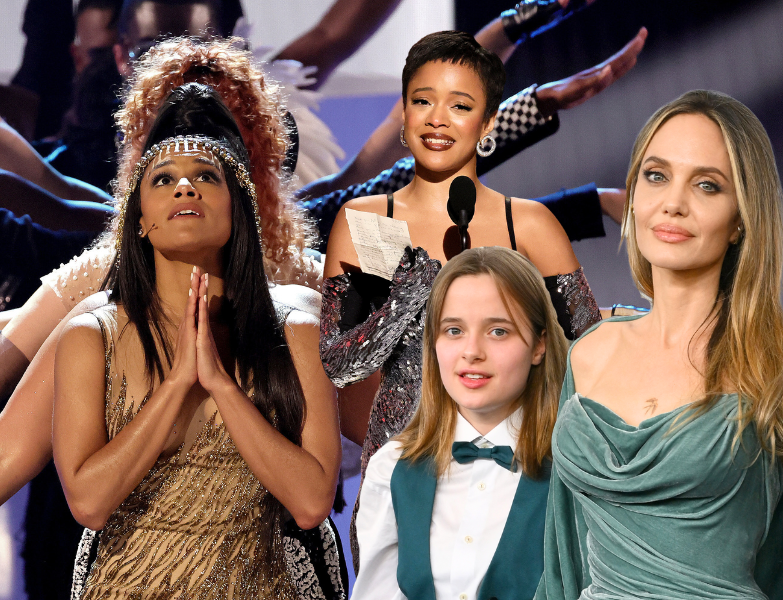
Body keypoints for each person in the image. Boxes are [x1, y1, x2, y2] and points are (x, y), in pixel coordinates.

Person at [318, 29, 601, 562]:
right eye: (422, 101)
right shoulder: (375, 222)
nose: (437, 118)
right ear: (402, 113)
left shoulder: (529, 225)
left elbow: (588, 357)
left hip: (519, 481)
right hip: (403, 483)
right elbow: (340, 364)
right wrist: (411, 291)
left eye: (460, 105)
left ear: (489, 121)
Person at [53, 81, 340, 598]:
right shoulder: (91, 333)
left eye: (206, 176)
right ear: (139, 220)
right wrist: (178, 384)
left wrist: (223, 387)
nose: (185, 189)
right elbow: (89, 504)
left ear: (238, 209)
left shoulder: (297, 326)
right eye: (163, 179)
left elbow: (312, 501)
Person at [538, 90, 783, 599]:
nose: (673, 202)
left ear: (741, 219)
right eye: (656, 175)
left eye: (707, 186)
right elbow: (563, 559)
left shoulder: (771, 361)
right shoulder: (589, 352)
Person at [352, 246, 567, 600]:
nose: (472, 351)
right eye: (453, 330)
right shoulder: (390, 467)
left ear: (538, 345)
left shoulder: (574, 469)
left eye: (498, 331)